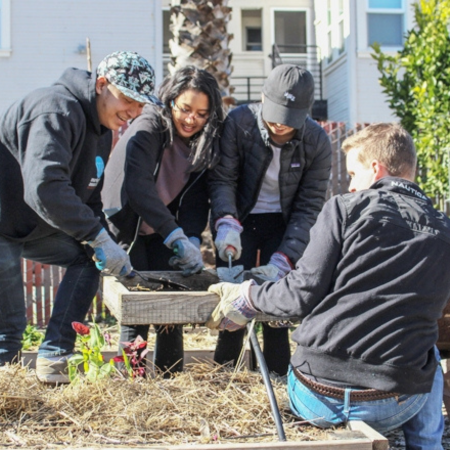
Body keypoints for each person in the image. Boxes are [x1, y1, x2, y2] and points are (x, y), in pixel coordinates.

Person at [207, 123, 450, 449]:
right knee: (428, 350)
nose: (350, 186)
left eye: (353, 173)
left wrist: (248, 295)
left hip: (318, 396)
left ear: (376, 169)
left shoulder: (344, 209)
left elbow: (300, 293)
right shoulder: (444, 229)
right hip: (396, 401)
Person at [0, 51, 158, 383]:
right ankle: (8, 402)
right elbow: (45, 187)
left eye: (141, 105)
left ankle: (55, 355)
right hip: (2, 226)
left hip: (31, 226)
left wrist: (107, 246)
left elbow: (89, 199)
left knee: (89, 258)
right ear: (102, 85)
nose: (133, 112)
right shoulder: (54, 110)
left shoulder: (100, 131)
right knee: (9, 330)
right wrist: (97, 237)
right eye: (128, 99)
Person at [208, 64, 332, 376]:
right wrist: (226, 222)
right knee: (233, 295)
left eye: (289, 119)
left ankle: (276, 377)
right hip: (241, 220)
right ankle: (225, 374)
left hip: (285, 224)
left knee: (277, 304)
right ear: (263, 98)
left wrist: (286, 257)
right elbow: (224, 179)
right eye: (274, 113)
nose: (279, 125)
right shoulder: (239, 122)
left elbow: (309, 207)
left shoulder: (317, 142)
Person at [102, 66, 224, 377]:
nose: (190, 119)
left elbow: (196, 200)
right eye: (185, 109)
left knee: (173, 309)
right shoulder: (148, 126)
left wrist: (192, 238)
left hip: (165, 231)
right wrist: (176, 236)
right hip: (128, 227)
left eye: (201, 113)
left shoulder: (204, 141)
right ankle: (133, 382)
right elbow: (139, 188)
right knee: (137, 310)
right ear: (170, 101)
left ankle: (172, 382)